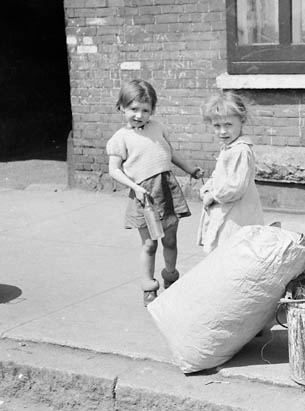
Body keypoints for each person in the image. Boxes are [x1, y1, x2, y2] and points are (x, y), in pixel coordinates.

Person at [106, 79, 203, 307]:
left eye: (145, 110)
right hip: (144, 196)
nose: (139, 115)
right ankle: (149, 287)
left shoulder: (158, 129)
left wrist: (190, 169)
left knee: (170, 240)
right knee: (150, 244)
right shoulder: (121, 138)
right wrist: (136, 188)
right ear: (121, 107)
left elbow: (170, 154)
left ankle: (171, 278)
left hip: (167, 191)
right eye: (133, 109)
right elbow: (113, 170)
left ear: (152, 111)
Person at [197, 91, 264, 254]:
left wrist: (213, 196)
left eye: (228, 125)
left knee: (233, 248)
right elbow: (219, 175)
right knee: (224, 249)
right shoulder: (229, 148)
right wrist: (208, 187)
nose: (222, 131)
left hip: (236, 212)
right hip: (227, 208)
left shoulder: (240, 151)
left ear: (242, 120)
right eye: (217, 126)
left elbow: (235, 186)